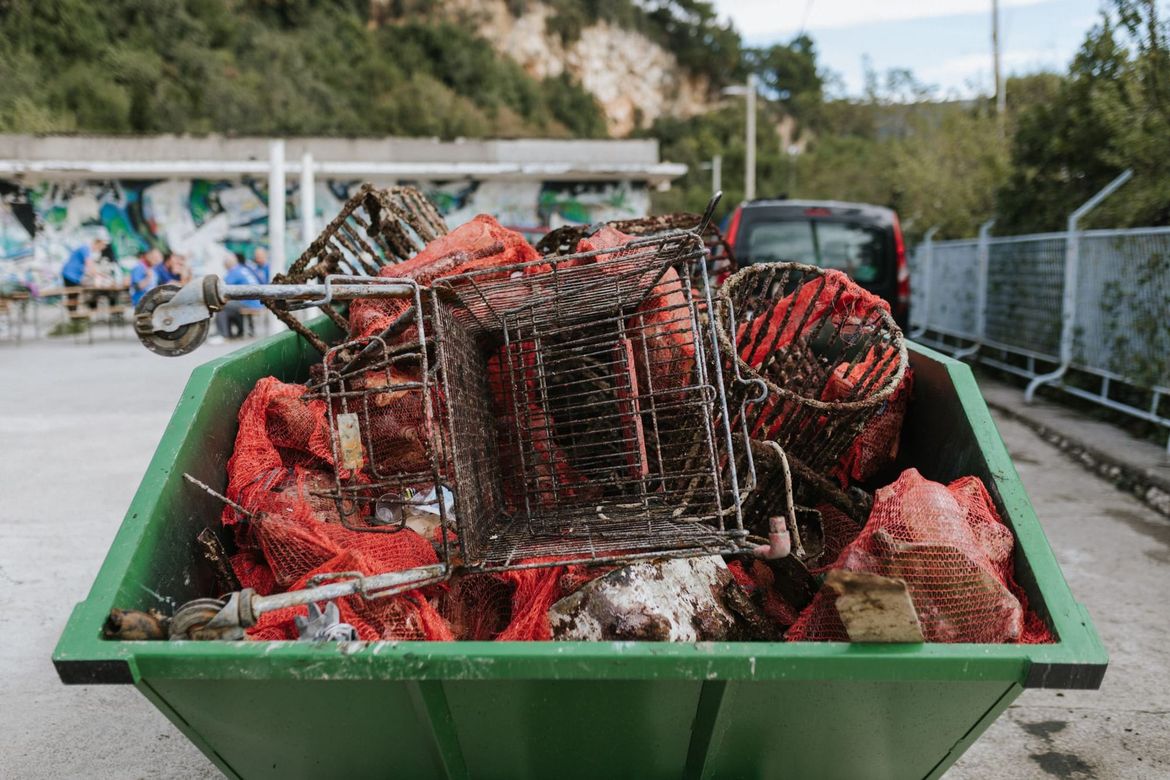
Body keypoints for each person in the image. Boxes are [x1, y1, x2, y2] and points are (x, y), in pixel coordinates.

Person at [215, 253, 262, 339]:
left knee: (221, 305)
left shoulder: (234, 272)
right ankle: (240, 331)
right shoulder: (243, 269)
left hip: (249, 303)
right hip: (257, 302)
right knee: (231, 306)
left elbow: (221, 288)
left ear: (227, 263)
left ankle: (222, 335)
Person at [61, 229, 110, 312]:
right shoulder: (85, 249)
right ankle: (74, 318)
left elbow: (89, 268)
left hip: (74, 275)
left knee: (75, 296)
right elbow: (90, 265)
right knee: (73, 297)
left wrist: (98, 274)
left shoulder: (87, 250)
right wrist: (99, 275)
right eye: (101, 246)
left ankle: (75, 317)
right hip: (70, 274)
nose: (101, 249)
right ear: (97, 243)